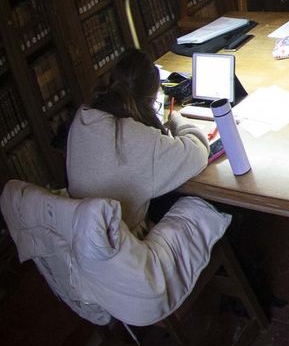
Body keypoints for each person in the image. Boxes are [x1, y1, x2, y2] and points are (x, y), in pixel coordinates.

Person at [65, 50, 210, 231]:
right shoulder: (142, 142)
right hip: (124, 241)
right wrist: (177, 120)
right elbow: (199, 153)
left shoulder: (83, 118)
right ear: (151, 98)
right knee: (205, 205)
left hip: (81, 234)